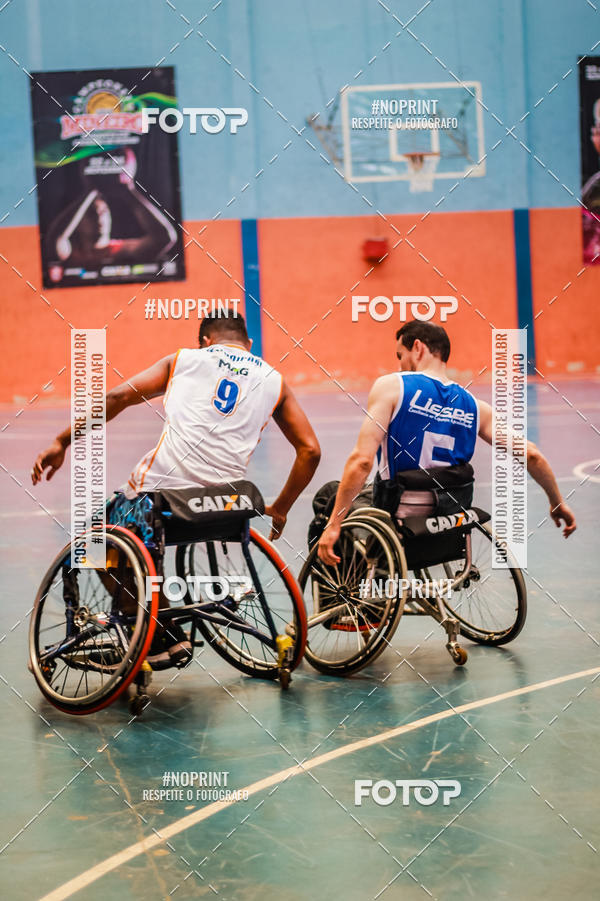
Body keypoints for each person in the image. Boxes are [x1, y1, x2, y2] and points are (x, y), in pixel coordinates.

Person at [32, 311, 321, 663]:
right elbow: (310, 450)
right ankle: (163, 631)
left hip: (161, 499)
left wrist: (62, 441)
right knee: (133, 538)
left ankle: (155, 636)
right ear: (249, 344)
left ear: (205, 341)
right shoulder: (274, 380)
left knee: (93, 542)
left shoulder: (184, 359)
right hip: (226, 505)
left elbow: (118, 398)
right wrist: (281, 508)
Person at [318, 320, 576, 565]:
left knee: (329, 496)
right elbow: (531, 455)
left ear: (418, 347)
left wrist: (334, 524)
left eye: (400, 355)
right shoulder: (476, 406)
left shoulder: (392, 386)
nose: (400, 365)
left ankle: (346, 596)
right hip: (449, 516)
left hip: (397, 512)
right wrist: (557, 502)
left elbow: (362, 461)